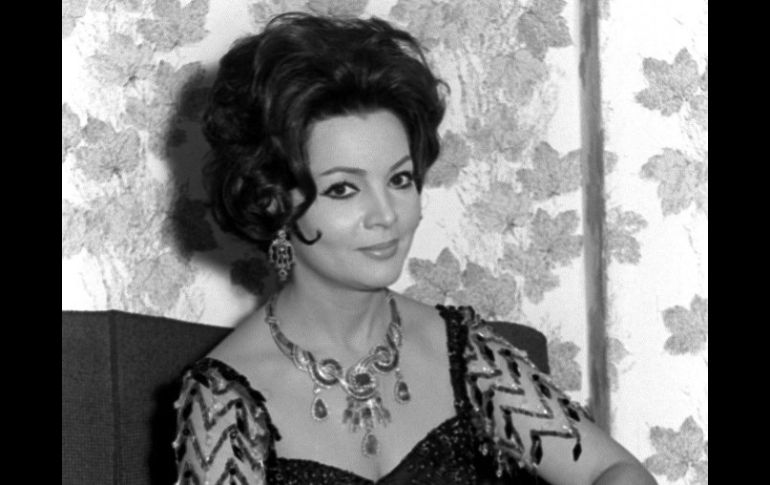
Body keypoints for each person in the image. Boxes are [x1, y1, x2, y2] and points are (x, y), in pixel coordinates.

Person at [172, 12, 656, 485]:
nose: (386, 214)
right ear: (271, 198)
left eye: (399, 180)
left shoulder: (467, 354)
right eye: (343, 189)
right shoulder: (222, 404)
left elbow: (613, 470)